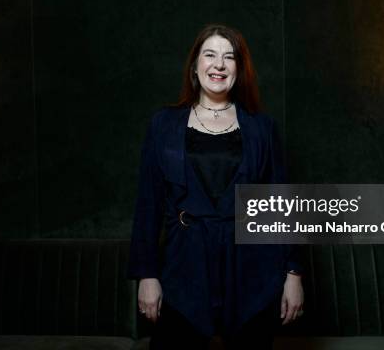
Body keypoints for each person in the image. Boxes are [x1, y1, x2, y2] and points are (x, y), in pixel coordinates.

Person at [127, 24, 303, 350]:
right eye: (209, 55)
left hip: (252, 269)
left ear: (239, 68)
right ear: (195, 66)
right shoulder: (163, 125)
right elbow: (147, 204)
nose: (219, 65)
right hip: (184, 267)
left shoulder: (262, 128)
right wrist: (147, 275)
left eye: (229, 57)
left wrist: (293, 273)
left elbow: (282, 205)